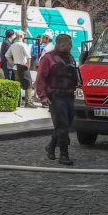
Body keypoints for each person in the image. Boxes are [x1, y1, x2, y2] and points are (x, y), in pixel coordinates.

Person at [35, 34, 78, 166]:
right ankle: (64, 155)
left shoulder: (70, 57)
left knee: (64, 125)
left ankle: (51, 146)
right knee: (63, 125)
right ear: (61, 44)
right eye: (69, 44)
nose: (71, 46)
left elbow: (74, 76)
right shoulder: (48, 58)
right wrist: (42, 96)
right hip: (56, 96)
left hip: (69, 95)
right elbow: (40, 78)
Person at [5, 30, 37, 108]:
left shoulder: (13, 45)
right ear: (21, 36)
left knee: (18, 84)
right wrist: (28, 66)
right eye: (23, 35)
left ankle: (18, 102)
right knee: (28, 83)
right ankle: (28, 102)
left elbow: (6, 55)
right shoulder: (23, 45)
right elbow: (29, 56)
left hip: (15, 66)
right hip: (23, 66)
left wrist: (12, 62)